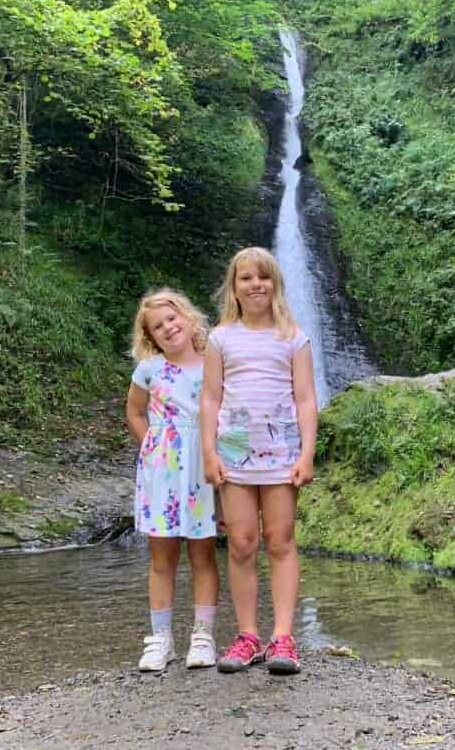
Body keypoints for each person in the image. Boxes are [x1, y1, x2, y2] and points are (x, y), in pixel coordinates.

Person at [200, 247, 318, 675]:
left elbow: (306, 398)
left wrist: (307, 453)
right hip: (233, 458)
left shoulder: (294, 337)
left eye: (263, 278)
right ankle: (248, 635)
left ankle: (283, 637)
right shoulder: (220, 338)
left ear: (276, 285)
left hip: (282, 456)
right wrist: (208, 453)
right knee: (242, 543)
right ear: (234, 287)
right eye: (246, 278)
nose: (255, 285)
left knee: (281, 541)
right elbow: (210, 398)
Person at [126, 289, 219, 672]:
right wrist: (151, 445)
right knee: (162, 559)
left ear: (189, 317)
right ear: (150, 337)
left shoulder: (213, 365)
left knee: (203, 555)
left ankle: (203, 637)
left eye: (172, 318)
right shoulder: (149, 369)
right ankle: (160, 640)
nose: (168, 328)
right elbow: (133, 412)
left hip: (203, 466)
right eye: (158, 326)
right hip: (162, 470)